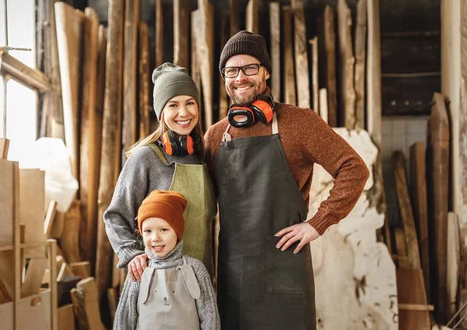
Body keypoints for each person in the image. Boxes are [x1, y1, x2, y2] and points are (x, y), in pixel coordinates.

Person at [204, 30, 370, 329]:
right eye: (231, 70)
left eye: (250, 68)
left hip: (286, 271)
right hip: (235, 274)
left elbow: (354, 169)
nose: (240, 77)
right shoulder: (216, 135)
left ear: (265, 72)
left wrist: (317, 223)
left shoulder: (299, 122)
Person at [104, 62, 217, 282]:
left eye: (190, 103)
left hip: (198, 277)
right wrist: (131, 254)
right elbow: (115, 215)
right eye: (173, 105)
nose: (183, 112)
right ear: (161, 112)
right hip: (156, 280)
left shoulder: (202, 159)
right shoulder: (145, 157)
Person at [113, 190, 220, 329]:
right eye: (148, 231)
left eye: (164, 229)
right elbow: (124, 320)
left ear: (177, 231)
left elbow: (210, 317)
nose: (155, 238)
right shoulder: (139, 270)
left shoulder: (195, 269)